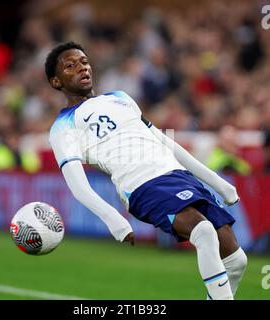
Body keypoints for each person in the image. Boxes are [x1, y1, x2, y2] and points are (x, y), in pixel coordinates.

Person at [45, 42, 247, 300]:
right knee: (203, 231)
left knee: (236, 260)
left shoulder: (120, 98)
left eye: (84, 61)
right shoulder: (63, 127)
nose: (81, 68)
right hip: (142, 185)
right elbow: (77, 184)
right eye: (70, 66)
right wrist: (113, 219)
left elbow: (165, 142)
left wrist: (219, 183)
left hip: (177, 176)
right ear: (56, 81)